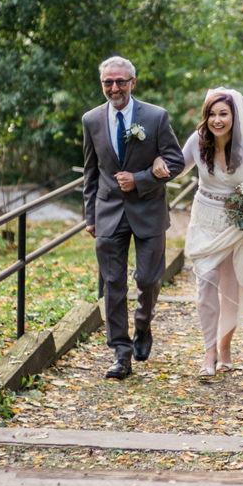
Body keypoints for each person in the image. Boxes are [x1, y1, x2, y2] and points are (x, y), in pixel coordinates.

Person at [81, 56, 184, 380]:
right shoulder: (91, 120)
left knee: (148, 280)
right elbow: (90, 172)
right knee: (112, 285)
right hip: (108, 211)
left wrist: (140, 179)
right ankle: (120, 353)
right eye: (108, 82)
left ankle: (142, 325)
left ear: (132, 82)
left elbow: (175, 161)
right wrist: (90, 216)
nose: (114, 88)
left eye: (120, 81)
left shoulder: (155, 117)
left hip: (149, 210)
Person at [178, 88, 243, 376]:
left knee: (229, 287)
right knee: (205, 280)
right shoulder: (197, 142)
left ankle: (225, 346)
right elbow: (176, 168)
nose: (217, 120)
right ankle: (209, 351)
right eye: (212, 113)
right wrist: (154, 165)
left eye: (223, 113)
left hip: (236, 223)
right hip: (204, 219)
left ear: (235, 116)